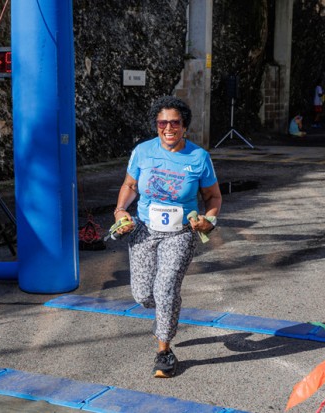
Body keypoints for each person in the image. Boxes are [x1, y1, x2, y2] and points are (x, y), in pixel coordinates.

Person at [112, 96, 222, 378]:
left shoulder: (198, 157)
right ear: (156, 125)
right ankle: (165, 314)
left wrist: (208, 221)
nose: (168, 128)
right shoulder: (142, 152)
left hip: (180, 232)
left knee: (166, 289)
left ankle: (164, 351)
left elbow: (212, 196)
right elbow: (130, 185)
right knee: (144, 295)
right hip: (144, 229)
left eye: (175, 122)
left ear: (184, 126)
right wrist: (120, 211)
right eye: (163, 123)